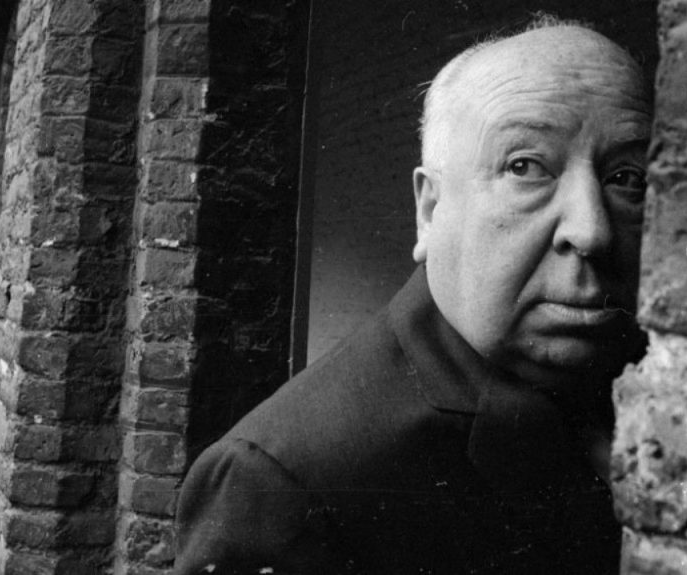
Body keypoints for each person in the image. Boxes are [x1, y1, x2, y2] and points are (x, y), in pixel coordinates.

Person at [173, 16, 652, 574]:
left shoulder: (658, 383)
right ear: (429, 210)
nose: (592, 230)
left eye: (627, 178)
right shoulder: (279, 484)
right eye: (525, 167)